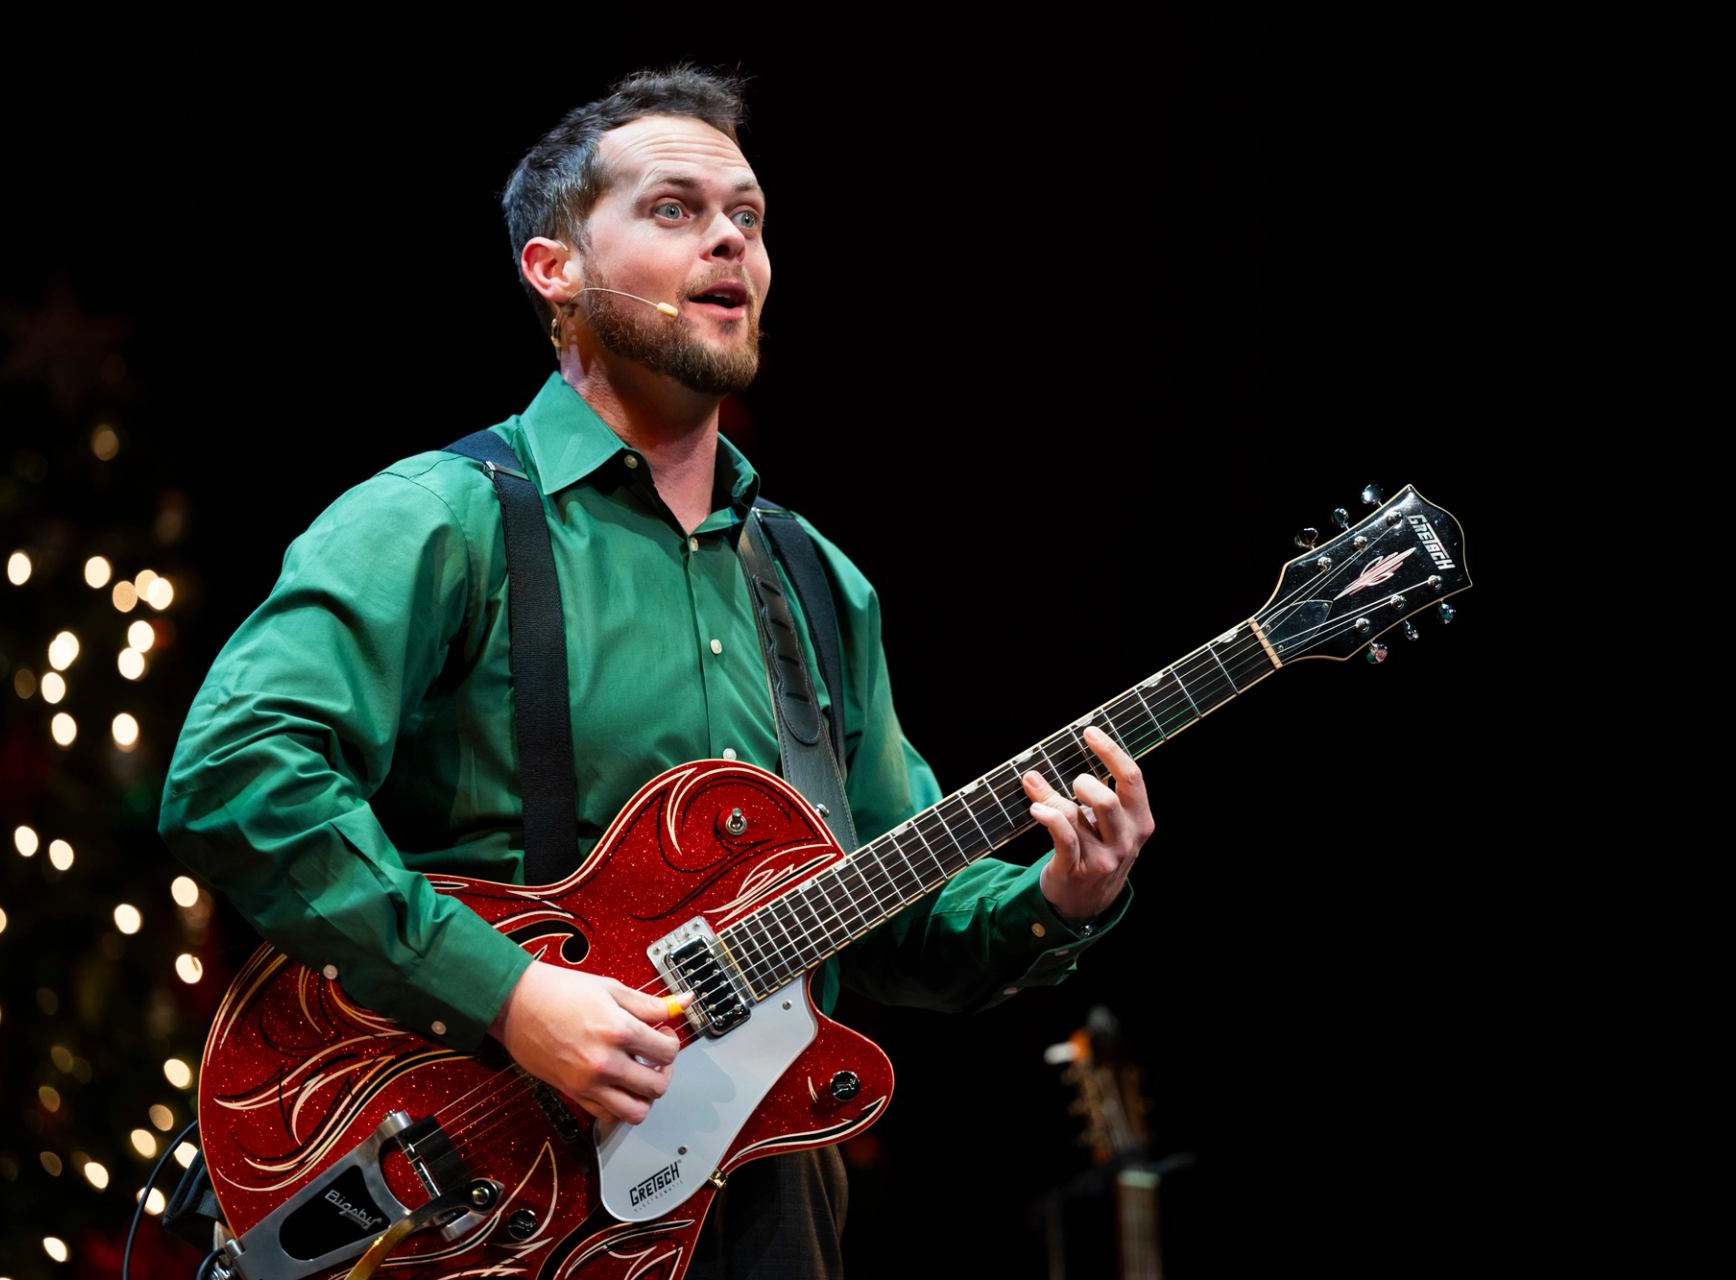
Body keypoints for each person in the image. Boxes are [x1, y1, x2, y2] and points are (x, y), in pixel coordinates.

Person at [157, 64, 1154, 1278]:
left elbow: (896, 916)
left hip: (768, 1198)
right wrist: (514, 996)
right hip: (477, 1196)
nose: (730, 236)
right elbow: (234, 774)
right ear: (554, 269)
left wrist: (1060, 896)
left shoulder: (817, 582)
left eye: (749, 215)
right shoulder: (435, 520)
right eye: (675, 209)